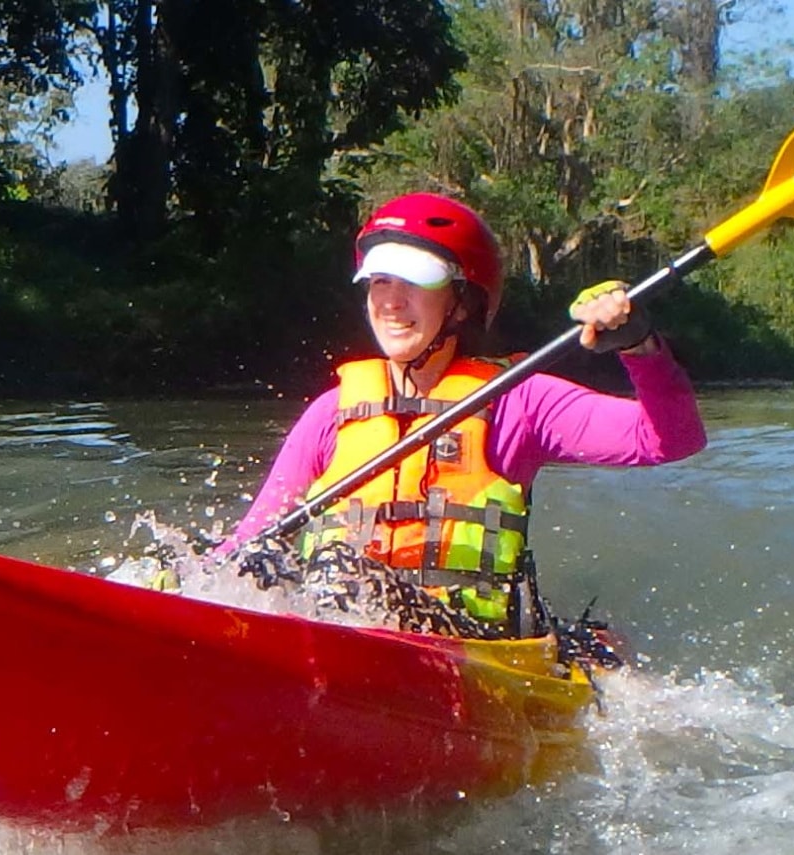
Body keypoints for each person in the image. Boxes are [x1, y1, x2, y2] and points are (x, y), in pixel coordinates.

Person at [219, 192, 706, 638]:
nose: (390, 301)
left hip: (470, 640)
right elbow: (251, 537)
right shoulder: (332, 413)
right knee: (300, 573)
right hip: (343, 628)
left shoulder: (521, 400)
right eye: (380, 281)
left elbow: (669, 439)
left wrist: (639, 346)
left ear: (462, 302)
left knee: (349, 582)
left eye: (414, 282)